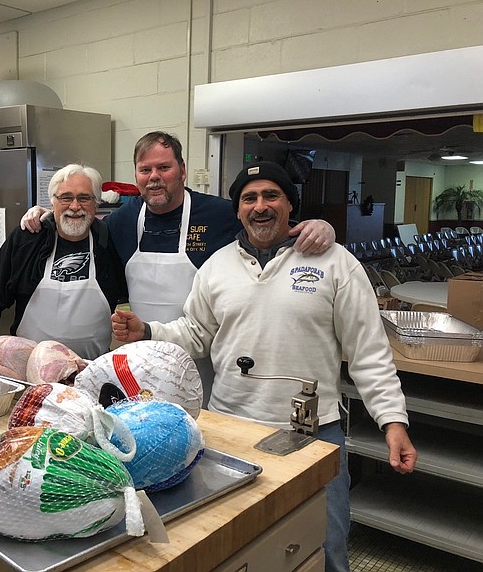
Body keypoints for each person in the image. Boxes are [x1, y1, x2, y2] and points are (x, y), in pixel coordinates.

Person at [111, 160, 417, 572]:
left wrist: (392, 422)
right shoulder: (217, 266)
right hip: (231, 430)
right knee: (242, 545)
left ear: (290, 205)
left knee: (326, 547)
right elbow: (196, 333)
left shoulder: (335, 262)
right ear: (237, 210)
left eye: (271, 195)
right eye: (249, 198)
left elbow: (368, 352)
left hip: (313, 434)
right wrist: (147, 330)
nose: (260, 206)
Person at [22, 132, 336, 394]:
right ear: (136, 175)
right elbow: (79, 220)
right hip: (141, 358)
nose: (154, 177)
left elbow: (270, 224)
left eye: (164, 167)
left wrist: (319, 227)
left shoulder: (219, 214)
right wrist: (45, 216)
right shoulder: (122, 220)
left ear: (182, 170)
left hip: (205, 361)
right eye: (145, 170)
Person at [0, 164, 127, 359]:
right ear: (52, 203)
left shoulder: (108, 241)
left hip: (91, 372)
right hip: (30, 372)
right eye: (66, 197)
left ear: (96, 204)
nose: (74, 206)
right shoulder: (28, 239)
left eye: (84, 198)